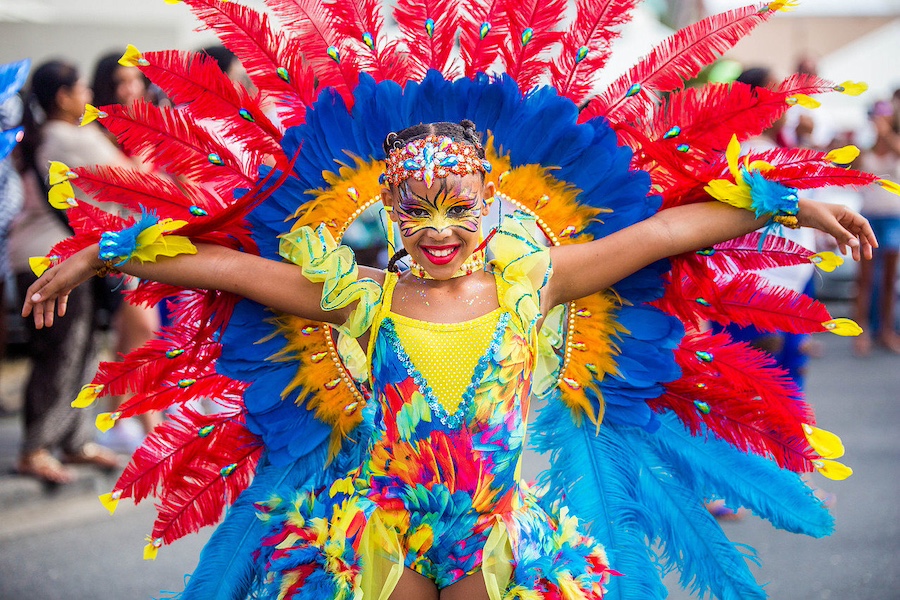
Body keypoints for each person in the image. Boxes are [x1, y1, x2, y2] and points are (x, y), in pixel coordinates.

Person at [16, 1, 892, 598]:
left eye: (457, 209)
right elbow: (221, 267)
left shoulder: (536, 284)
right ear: (390, 213)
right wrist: (100, 253)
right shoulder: (359, 297)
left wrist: (789, 200)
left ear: (492, 206)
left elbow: (666, 233)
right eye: (415, 210)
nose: (437, 229)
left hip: (497, 537)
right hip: (379, 532)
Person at [8, 59, 122, 483]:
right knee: (60, 351)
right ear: (62, 96)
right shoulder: (64, 136)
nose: (89, 96)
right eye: (82, 89)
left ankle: (74, 441)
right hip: (52, 258)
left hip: (64, 256)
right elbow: (132, 175)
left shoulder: (57, 135)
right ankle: (35, 448)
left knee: (85, 346)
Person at [90, 51, 163, 445]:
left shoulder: (147, 127)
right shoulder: (96, 133)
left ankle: (115, 420)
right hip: (112, 245)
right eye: (120, 81)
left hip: (147, 244)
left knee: (129, 338)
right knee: (144, 333)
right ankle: (149, 427)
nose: (130, 87)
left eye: (135, 79)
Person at [853, 98, 900, 354]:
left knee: (890, 280)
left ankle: (886, 330)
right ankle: (862, 331)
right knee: (866, 278)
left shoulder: (896, 145)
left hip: (893, 218)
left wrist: (888, 133)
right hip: (868, 216)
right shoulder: (864, 150)